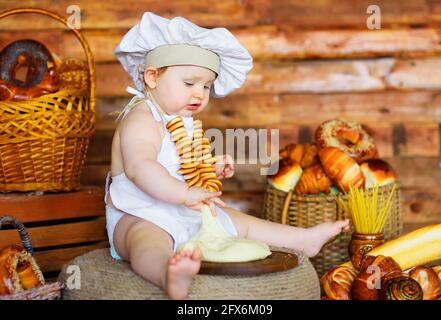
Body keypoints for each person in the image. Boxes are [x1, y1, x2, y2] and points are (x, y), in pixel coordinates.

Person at [105, 12, 350, 300]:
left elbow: (178, 164)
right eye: (189, 83)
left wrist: (210, 166)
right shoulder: (141, 117)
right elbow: (141, 167)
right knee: (145, 242)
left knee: (237, 219)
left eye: (206, 86)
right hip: (139, 214)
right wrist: (184, 193)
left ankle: (301, 239)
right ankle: (167, 274)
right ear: (152, 77)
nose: (199, 94)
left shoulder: (181, 119)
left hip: (184, 211)